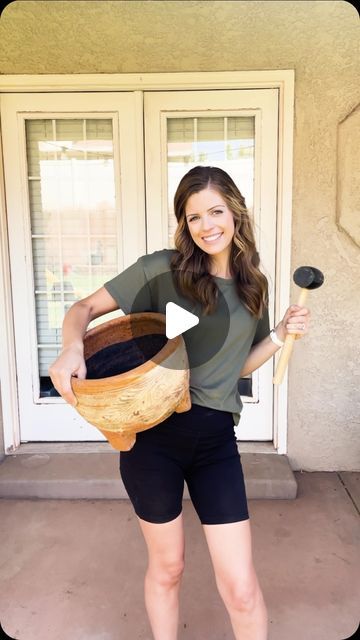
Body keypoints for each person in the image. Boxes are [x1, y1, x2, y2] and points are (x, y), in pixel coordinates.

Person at [49, 166, 310, 640]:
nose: (208, 226)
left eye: (216, 211)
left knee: (241, 587)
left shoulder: (255, 287)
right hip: (153, 440)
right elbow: (83, 308)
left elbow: (238, 367)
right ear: (183, 224)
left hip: (215, 443)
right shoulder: (161, 270)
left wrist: (279, 334)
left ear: (235, 212)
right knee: (168, 569)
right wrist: (71, 346)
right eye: (194, 218)